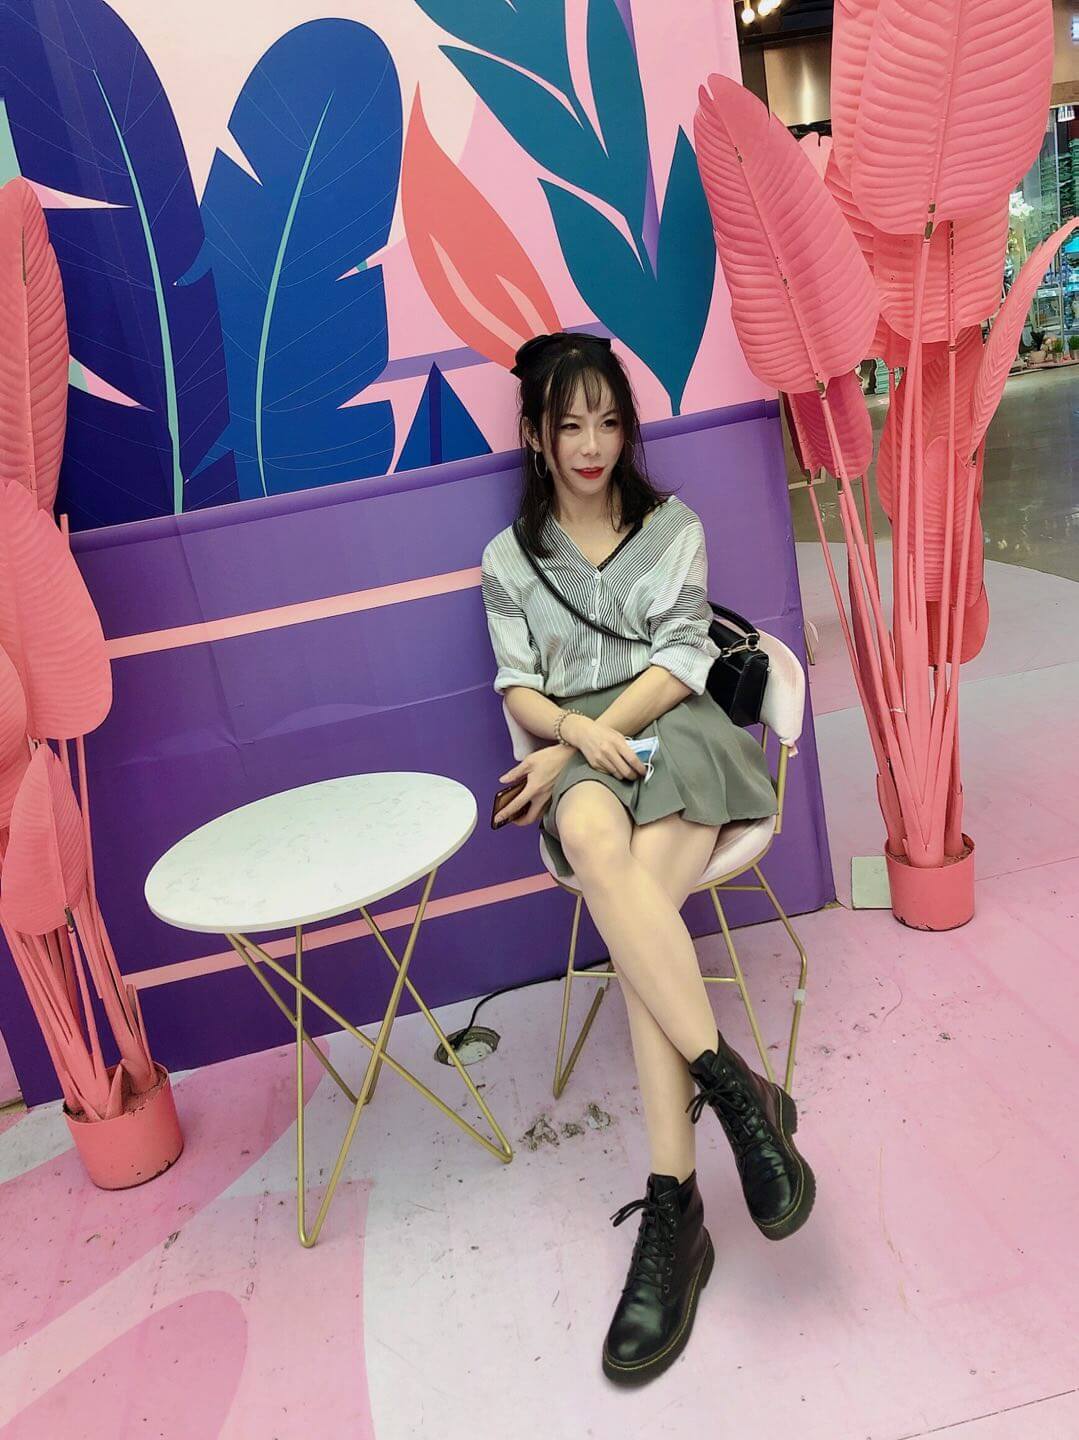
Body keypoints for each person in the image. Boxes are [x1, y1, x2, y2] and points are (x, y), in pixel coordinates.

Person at [480, 332, 816, 1387]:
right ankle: (734, 1092)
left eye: (607, 420)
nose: (590, 444)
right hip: (589, 748)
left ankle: (675, 1205)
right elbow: (517, 685)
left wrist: (583, 739)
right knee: (592, 840)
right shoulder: (507, 561)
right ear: (535, 434)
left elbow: (679, 662)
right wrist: (571, 736)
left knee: (632, 932)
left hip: (674, 730)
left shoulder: (673, 530)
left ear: (626, 428)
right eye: (568, 423)